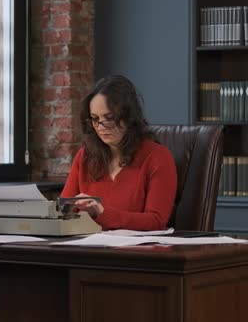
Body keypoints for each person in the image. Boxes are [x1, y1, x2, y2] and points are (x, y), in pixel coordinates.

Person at [61, 75, 177, 231]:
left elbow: (155, 221)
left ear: (128, 117)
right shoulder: (85, 156)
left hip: (137, 251)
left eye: (109, 118)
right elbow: (62, 212)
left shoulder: (157, 157)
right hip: (88, 248)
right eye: (95, 119)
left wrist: (101, 213)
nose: (100, 126)